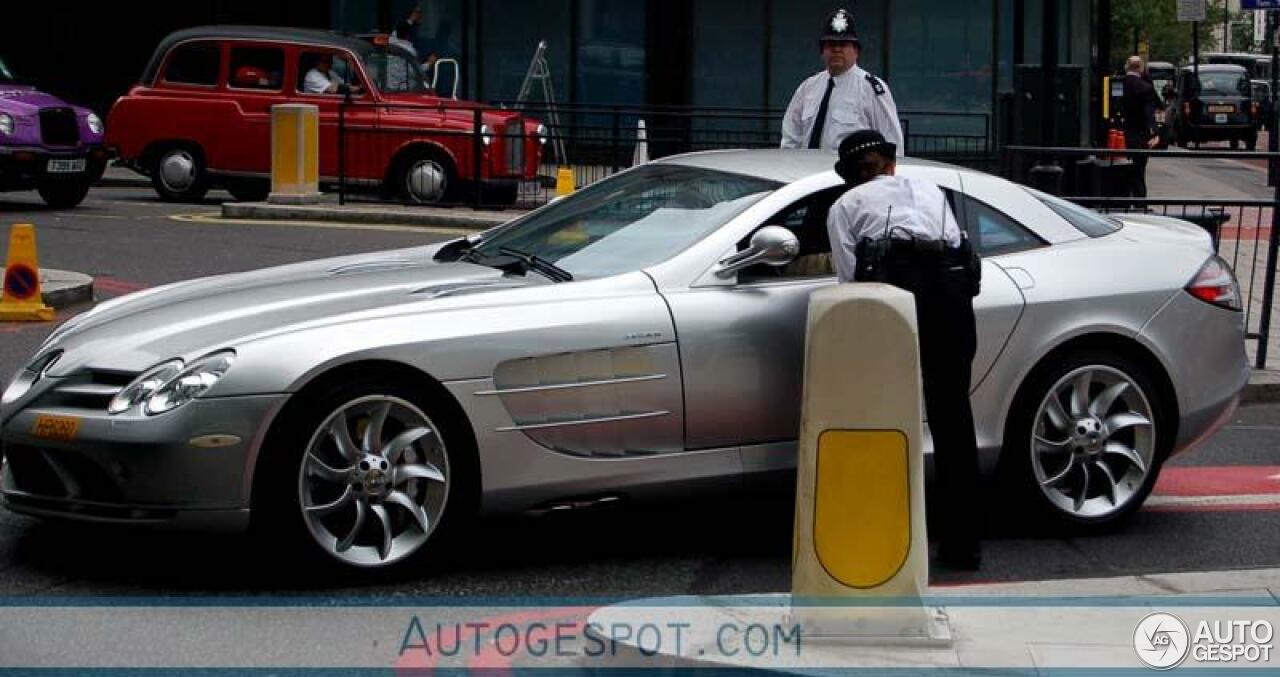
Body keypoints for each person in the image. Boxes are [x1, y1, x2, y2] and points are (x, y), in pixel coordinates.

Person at [826, 129, 983, 570]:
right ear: (892, 164)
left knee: (883, 416)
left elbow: (847, 278)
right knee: (953, 418)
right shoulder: (931, 189)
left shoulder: (845, 205)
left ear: (848, 177)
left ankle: (883, 539)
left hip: (895, 292)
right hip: (952, 295)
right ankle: (963, 544)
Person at [781, 8, 903, 153]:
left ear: (856, 51)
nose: (837, 49)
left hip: (852, 173)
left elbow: (891, 141)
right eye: (831, 45)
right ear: (822, 52)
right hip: (809, 171)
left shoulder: (871, 89)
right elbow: (791, 137)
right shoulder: (808, 87)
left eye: (844, 44)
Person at [1121, 56, 1159, 197]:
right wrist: (1155, 133)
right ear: (1141, 68)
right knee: (1138, 172)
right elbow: (1149, 113)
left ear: (1127, 67)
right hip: (1139, 136)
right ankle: (1139, 203)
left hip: (1119, 134)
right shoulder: (1145, 88)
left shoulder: (1119, 83)